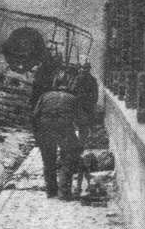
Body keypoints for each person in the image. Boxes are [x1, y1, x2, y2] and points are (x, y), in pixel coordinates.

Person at [32, 71, 84, 201]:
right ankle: (64, 192)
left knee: (48, 161)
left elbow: (35, 116)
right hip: (64, 130)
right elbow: (80, 120)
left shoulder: (44, 96)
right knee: (68, 159)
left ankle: (51, 191)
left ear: (55, 83)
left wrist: (37, 136)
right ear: (69, 85)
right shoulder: (72, 99)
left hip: (45, 130)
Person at [72, 63, 98, 142]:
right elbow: (95, 92)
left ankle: (83, 138)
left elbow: (73, 89)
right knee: (90, 120)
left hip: (81, 101)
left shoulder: (78, 78)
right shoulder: (92, 79)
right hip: (88, 102)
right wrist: (94, 101)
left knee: (81, 121)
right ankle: (90, 137)